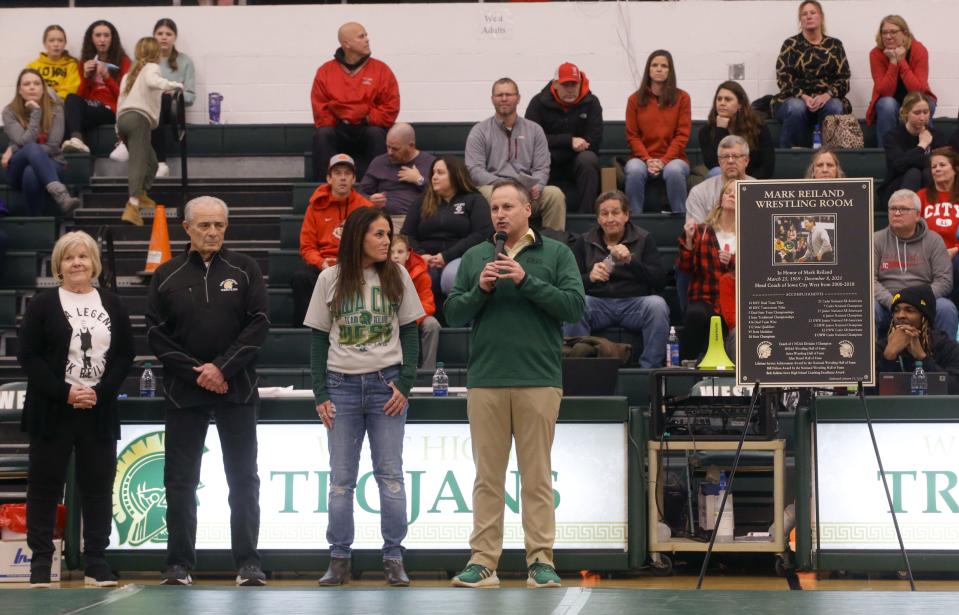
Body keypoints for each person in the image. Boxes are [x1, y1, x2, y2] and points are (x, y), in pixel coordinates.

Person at [446, 179, 585, 589]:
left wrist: (527, 281)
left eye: (508, 206)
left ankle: (540, 560)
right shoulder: (475, 257)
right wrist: (480, 289)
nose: (500, 214)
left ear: (528, 210)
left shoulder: (556, 253)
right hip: (486, 379)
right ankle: (483, 561)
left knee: (536, 476)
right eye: (494, 208)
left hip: (539, 379)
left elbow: (574, 306)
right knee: (487, 477)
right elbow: (453, 313)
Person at [146, 196, 269, 587]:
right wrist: (198, 372)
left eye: (218, 225)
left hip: (238, 388)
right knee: (180, 480)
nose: (212, 232)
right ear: (187, 228)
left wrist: (222, 368)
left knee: (244, 479)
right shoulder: (165, 274)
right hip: (186, 392)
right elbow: (155, 334)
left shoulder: (246, 269)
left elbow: (259, 325)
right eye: (204, 226)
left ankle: (248, 562)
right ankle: (178, 564)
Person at [304, 207, 423, 587]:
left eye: (389, 234)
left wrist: (404, 383)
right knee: (341, 480)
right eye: (379, 234)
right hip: (341, 386)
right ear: (359, 237)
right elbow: (318, 338)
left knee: (390, 476)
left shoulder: (398, 274)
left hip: (385, 385)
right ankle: (339, 559)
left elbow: (410, 333)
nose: (387, 241)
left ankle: (393, 556)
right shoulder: (330, 278)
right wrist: (320, 391)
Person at [17, 231, 134, 588]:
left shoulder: (111, 303)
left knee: (98, 487)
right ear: (59, 265)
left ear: (94, 263)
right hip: (52, 409)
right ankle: (40, 563)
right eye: (69, 258)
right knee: (44, 487)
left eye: (83, 256)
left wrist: (100, 393)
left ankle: (97, 561)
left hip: (98, 409)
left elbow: (125, 354)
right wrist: (65, 392)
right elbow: (30, 358)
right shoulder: (42, 304)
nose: (77, 263)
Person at [565, 190, 669, 368]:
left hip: (634, 304)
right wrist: (589, 277)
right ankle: (577, 367)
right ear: (598, 218)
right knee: (575, 304)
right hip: (598, 304)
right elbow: (568, 285)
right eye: (604, 214)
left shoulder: (643, 238)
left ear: (626, 215)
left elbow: (659, 282)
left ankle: (650, 370)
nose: (610, 218)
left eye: (616, 212)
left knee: (657, 305)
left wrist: (631, 261)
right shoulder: (585, 241)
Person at [465, 77, 566, 231]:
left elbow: (542, 167)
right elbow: (475, 170)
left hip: (527, 192)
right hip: (494, 190)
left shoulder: (535, 130)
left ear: (518, 98)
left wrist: (537, 185)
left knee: (555, 195)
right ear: (492, 99)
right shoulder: (479, 131)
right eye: (499, 95)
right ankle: (495, 245)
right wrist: (504, 186)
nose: (504, 99)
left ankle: (553, 249)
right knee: (483, 192)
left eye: (509, 94)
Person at [310, 22, 399, 181]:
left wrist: (366, 116)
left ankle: (377, 186)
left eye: (366, 35)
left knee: (377, 134)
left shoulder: (381, 70)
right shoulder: (325, 71)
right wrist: (344, 117)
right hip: (339, 129)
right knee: (323, 134)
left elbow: (390, 108)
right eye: (361, 36)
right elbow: (320, 110)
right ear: (346, 43)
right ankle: (323, 189)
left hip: (367, 128)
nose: (367, 40)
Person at [291, 154, 371, 326]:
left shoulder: (365, 208)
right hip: (324, 265)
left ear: (354, 178)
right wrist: (321, 263)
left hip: (354, 265)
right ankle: (306, 330)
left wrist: (351, 262)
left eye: (347, 173)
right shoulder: (315, 207)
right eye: (337, 173)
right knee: (301, 278)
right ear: (329, 178)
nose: (342, 178)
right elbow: (307, 247)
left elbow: (370, 245)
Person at [400, 156, 493, 300]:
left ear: (456, 175)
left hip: (462, 257)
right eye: (433, 173)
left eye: (440, 173)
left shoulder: (474, 199)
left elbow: (482, 234)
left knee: (451, 276)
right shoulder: (422, 200)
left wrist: (447, 256)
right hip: (425, 259)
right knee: (425, 277)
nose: (434, 177)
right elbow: (407, 235)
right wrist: (420, 255)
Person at [115, 37, 183, 226]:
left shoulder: (128, 76)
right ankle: (132, 206)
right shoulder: (152, 68)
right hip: (139, 119)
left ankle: (142, 194)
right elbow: (155, 81)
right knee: (139, 162)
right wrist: (174, 85)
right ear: (157, 54)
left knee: (152, 163)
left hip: (124, 120)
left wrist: (118, 132)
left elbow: (120, 103)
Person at [874, 189, 957, 339]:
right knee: (869, 307)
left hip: (924, 301)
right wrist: (893, 302)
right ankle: (872, 360)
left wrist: (917, 301)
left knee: (946, 308)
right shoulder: (876, 240)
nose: (897, 213)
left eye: (904, 209)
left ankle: (944, 360)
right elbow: (869, 279)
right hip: (887, 301)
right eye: (893, 209)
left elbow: (944, 281)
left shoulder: (934, 240)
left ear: (918, 215)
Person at [524, 61, 603, 214]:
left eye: (574, 84)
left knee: (588, 159)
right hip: (547, 161)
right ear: (555, 85)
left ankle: (586, 218)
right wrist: (568, 141)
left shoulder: (592, 103)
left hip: (576, 162)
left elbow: (594, 141)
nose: (570, 90)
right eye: (565, 85)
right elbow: (531, 139)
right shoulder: (537, 103)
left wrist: (561, 148)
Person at [771, 1, 851, 148]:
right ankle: (793, 155)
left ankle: (830, 156)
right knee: (796, 107)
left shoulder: (835, 45)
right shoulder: (790, 44)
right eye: (804, 14)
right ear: (800, 20)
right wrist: (804, 96)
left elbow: (843, 80)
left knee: (835, 106)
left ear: (821, 17)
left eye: (812, 12)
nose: (808, 16)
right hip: (795, 99)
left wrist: (826, 95)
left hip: (826, 100)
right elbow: (783, 78)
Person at [2, 69, 80, 216]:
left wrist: (13, 148)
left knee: (31, 171)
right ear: (20, 90)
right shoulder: (9, 112)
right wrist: (36, 113)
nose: (32, 87)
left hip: (53, 164)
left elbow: (52, 147)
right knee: (30, 147)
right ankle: (61, 194)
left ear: (43, 89)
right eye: (27, 84)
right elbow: (24, 142)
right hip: (16, 168)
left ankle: (35, 219)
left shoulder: (56, 109)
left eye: (37, 84)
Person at [624, 50, 691, 214]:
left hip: (674, 159)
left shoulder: (682, 98)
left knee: (674, 171)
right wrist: (647, 159)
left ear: (670, 71)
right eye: (654, 65)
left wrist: (664, 161)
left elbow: (682, 135)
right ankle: (634, 221)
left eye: (664, 66)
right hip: (642, 158)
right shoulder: (634, 99)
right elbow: (632, 136)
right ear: (649, 70)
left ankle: (680, 219)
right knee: (633, 170)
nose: (659, 69)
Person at [677, 180, 736, 361]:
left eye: (737, 193)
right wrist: (688, 240)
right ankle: (686, 362)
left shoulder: (750, 232)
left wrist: (733, 261)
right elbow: (685, 267)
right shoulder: (702, 231)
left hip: (735, 301)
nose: (732, 195)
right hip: (705, 297)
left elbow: (757, 270)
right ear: (720, 199)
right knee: (696, 314)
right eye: (728, 192)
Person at [62, 20, 130, 155]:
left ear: (113, 38)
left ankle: (73, 142)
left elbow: (124, 97)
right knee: (70, 99)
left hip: (111, 109)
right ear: (91, 39)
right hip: (91, 106)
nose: (102, 40)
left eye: (106, 35)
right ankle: (76, 140)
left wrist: (107, 78)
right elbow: (79, 98)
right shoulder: (84, 62)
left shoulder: (124, 61)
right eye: (98, 35)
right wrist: (86, 77)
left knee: (71, 119)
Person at [877, 285, 959, 394]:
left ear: (924, 317)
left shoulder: (947, 347)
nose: (900, 315)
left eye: (909, 310)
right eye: (896, 310)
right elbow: (866, 396)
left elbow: (955, 390)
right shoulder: (881, 347)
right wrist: (889, 356)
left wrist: (922, 357)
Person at [867, 15, 936, 145]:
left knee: (926, 104)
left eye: (893, 32)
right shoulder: (876, 54)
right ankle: (885, 153)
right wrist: (893, 62)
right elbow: (885, 92)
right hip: (891, 101)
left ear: (905, 33)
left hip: (915, 98)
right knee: (886, 104)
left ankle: (926, 150)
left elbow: (918, 91)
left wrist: (901, 61)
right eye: (884, 32)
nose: (888, 36)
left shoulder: (918, 50)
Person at [357, 123, 436, 223]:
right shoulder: (379, 162)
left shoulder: (430, 162)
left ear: (411, 146)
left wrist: (419, 180)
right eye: (388, 147)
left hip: (416, 219)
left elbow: (442, 193)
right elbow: (360, 193)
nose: (389, 152)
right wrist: (370, 199)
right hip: (383, 218)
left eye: (395, 149)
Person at [880, 92, 946, 208]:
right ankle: (904, 211)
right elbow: (899, 166)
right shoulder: (892, 137)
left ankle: (934, 214)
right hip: (896, 190)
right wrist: (922, 145)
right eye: (917, 113)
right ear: (905, 113)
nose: (922, 117)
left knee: (927, 173)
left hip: (928, 183)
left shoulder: (937, 136)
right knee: (914, 173)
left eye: (926, 112)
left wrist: (915, 160)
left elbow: (940, 165)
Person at [149, 18, 196, 178]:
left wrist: (174, 92)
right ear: (154, 36)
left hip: (175, 111)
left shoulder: (185, 61)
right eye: (160, 33)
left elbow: (190, 97)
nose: (164, 37)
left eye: (168, 34)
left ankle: (160, 162)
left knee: (162, 99)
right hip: (151, 109)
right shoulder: (145, 61)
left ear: (175, 37)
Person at [699, 81, 773, 179]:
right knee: (716, 172)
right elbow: (714, 164)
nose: (722, 103)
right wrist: (720, 130)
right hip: (723, 184)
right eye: (719, 99)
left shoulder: (758, 127)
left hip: (750, 181)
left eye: (728, 99)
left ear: (740, 104)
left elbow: (767, 166)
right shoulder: (706, 131)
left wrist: (744, 185)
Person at [391, 234, 440, 370]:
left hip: (417, 317)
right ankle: (393, 371)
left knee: (432, 325)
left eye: (400, 252)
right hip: (391, 317)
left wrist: (411, 320)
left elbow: (428, 304)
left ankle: (428, 371)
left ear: (408, 254)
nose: (395, 256)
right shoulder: (379, 274)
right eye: (391, 252)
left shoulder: (421, 274)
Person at [917, 148, 959, 303]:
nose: (937, 169)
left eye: (942, 165)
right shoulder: (921, 196)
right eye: (934, 167)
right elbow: (912, 230)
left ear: (955, 169)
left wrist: (955, 249)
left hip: (956, 256)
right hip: (928, 256)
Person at [26, 25, 80, 102]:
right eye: (51, 40)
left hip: (61, 104)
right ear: (44, 43)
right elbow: (28, 89)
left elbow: (71, 90)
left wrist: (51, 99)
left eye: (60, 40)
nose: (56, 44)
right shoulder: (32, 66)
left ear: (65, 43)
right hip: (38, 103)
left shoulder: (72, 65)